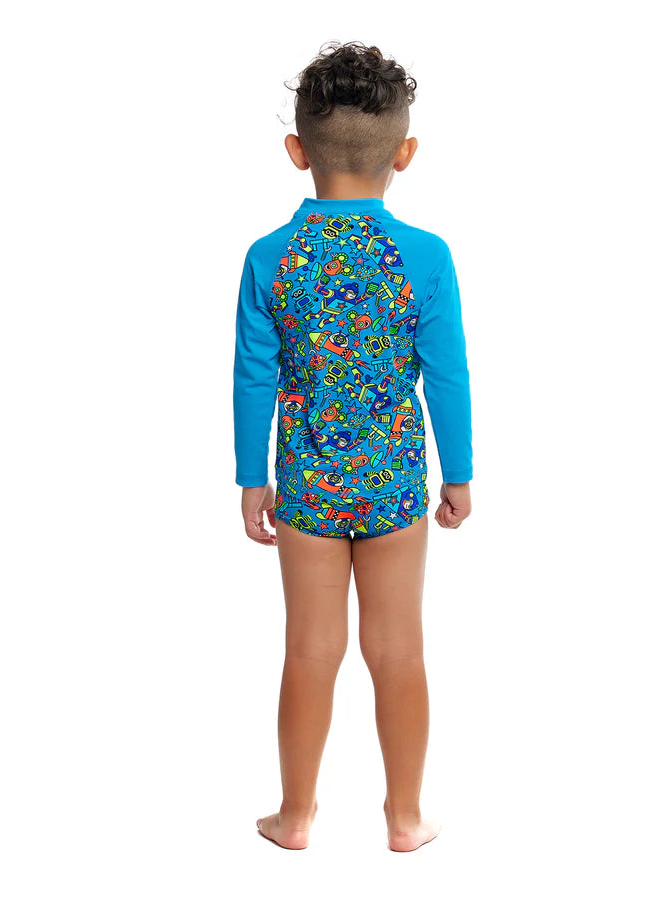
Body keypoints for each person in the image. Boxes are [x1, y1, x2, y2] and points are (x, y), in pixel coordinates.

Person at [232, 41, 473, 852]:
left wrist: (252, 478)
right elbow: (446, 375)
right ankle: (404, 819)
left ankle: (295, 816)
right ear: (404, 153)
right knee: (398, 650)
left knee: (310, 649)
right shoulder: (424, 257)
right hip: (393, 483)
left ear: (297, 150)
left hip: (306, 483)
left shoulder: (270, 258)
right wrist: (459, 474)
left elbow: (254, 377)